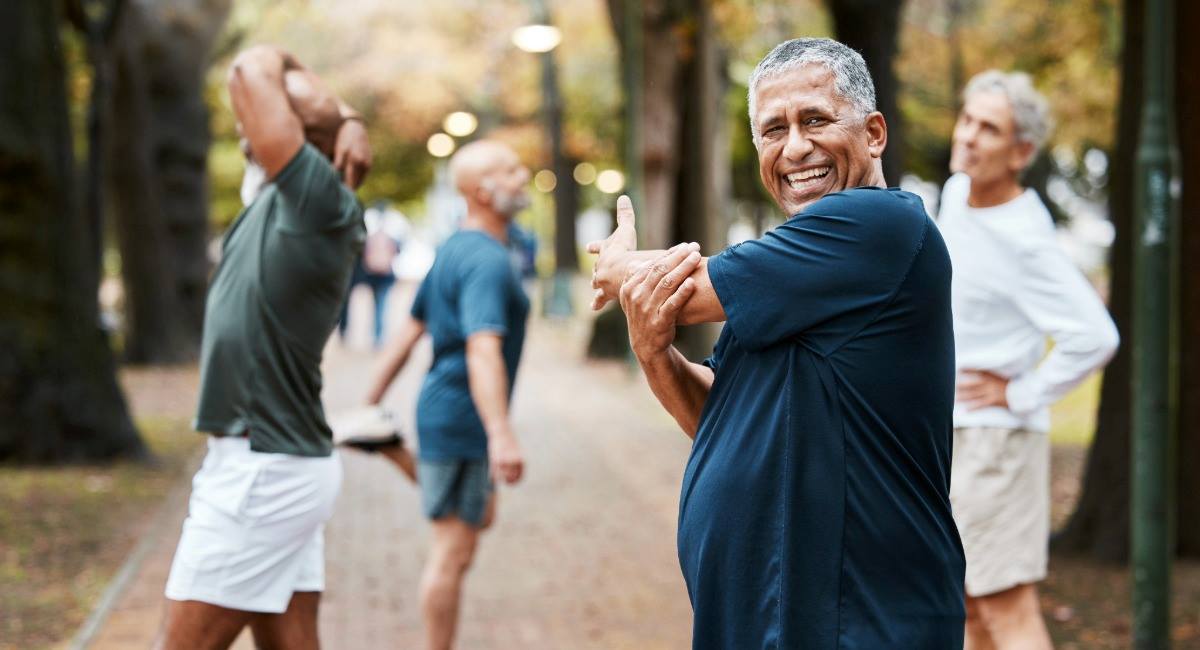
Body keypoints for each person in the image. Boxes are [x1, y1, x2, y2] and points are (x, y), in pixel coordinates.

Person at [590, 38, 965, 648]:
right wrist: (654, 351)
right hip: (765, 616)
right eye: (773, 130)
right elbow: (721, 411)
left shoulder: (880, 225)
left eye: (814, 119)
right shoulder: (797, 271)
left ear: (873, 133)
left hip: (857, 617)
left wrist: (618, 268)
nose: (795, 148)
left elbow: (686, 289)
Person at [155, 45, 371, 650]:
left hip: (263, 471)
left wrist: (341, 116)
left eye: (277, 110)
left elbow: (250, 67)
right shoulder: (281, 198)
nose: (247, 114)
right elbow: (253, 78)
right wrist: (351, 116)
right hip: (275, 461)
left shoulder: (318, 203)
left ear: (300, 140)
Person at [938, 70, 1119, 649]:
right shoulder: (956, 194)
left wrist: (1018, 394)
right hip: (953, 434)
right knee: (964, 604)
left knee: (1005, 608)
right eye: (967, 118)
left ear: (1021, 153)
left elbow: (1095, 335)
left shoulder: (1026, 237)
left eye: (987, 128)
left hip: (1000, 445)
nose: (967, 135)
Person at [361, 139, 530, 650]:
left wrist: (368, 404)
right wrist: (501, 435)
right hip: (462, 416)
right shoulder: (484, 260)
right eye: (511, 169)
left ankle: (393, 450)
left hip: (452, 413)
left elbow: (408, 332)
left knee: (477, 518)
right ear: (483, 190)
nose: (522, 176)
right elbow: (482, 350)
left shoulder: (455, 248)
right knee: (452, 551)